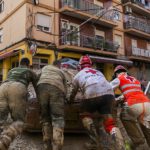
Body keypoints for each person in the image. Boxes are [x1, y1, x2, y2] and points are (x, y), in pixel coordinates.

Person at [70, 55, 125, 150]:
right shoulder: (99, 72)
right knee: (110, 123)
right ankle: (121, 146)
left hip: (91, 93)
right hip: (109, 94)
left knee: (85, 115)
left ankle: (94, 143)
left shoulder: (78, 75)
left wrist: (70, 100)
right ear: (91, 65)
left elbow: (73, 91)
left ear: (80, 66)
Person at [0, 57, 38, 149]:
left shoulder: (12, 70)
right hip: (17, 87)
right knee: (19, 121)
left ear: (20, 63)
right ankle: (3, 143)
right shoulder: (29, 71)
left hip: (3, 87)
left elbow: (8, 80)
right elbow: (37, 86)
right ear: (28, 64)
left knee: (0, 118)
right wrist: (39, 99)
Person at [110, 65, 150, 149]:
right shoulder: (135, 80)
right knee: (146, 126)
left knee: (124, 117)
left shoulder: (119, 78)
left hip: (133, 104)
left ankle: (139, 142)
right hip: (147, 104)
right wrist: (119, 98)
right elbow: (132, 92)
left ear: (116, 73)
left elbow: (107, 88)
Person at [37, 60, 67, 150]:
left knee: (45, 117)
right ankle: (57, 146)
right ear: (59, 65)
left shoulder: (45, 68)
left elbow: (37, 78)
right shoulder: (61, 72)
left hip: (41, 87)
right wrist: (64, 98)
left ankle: (47, 145)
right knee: (57, 118)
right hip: (57, 88)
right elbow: (65, 88)